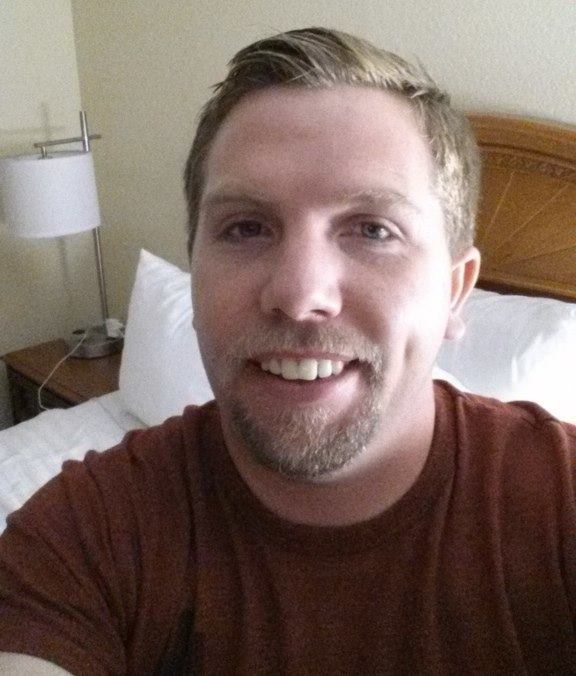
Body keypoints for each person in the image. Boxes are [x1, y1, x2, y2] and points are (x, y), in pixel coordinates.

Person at [0, 26, 575, 675]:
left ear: (454, 292)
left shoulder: (557, 504)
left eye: (372, 230)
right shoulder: (83, 534)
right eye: (246, 227)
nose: (299, 294)